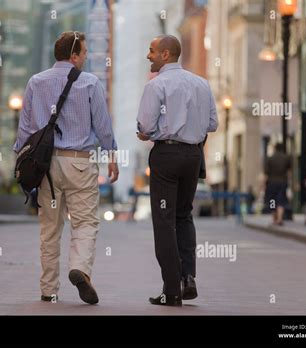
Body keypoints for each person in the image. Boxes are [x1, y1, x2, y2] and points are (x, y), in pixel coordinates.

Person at [13, 31, 119, 305]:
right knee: (84, 221)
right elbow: (103, 126)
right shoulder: (90, 84)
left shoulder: (36, 82)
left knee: (49, 228)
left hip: (44, 164)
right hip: (79, 161)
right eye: (83, 53)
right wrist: (112, 155)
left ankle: (48, 290)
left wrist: (20, 161)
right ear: (74, 55)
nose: (85, 57)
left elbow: (25, 128)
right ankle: (80, 268)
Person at [136, 35, 218, 306]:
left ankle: (171, 290)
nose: (148, 55)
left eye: (152, 51)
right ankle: (188, 277)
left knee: (163, 220)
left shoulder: (156, 85)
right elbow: (213, 124)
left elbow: (145, 127)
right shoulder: (201, 84)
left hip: (167, 156)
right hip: (193, 156)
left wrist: (149, 132)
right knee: (184, 215)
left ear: (166, 54)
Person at [264, 143, 291, 226]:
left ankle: (274, 218)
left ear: (275, 148)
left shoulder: (270, 158)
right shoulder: (286, 158)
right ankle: (279, 218)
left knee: (272, 201)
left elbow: (266, 173)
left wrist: (263, 184)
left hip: (272, 182)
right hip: (282, 182)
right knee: (281, 200)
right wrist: (290, 182)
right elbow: (289, 172)